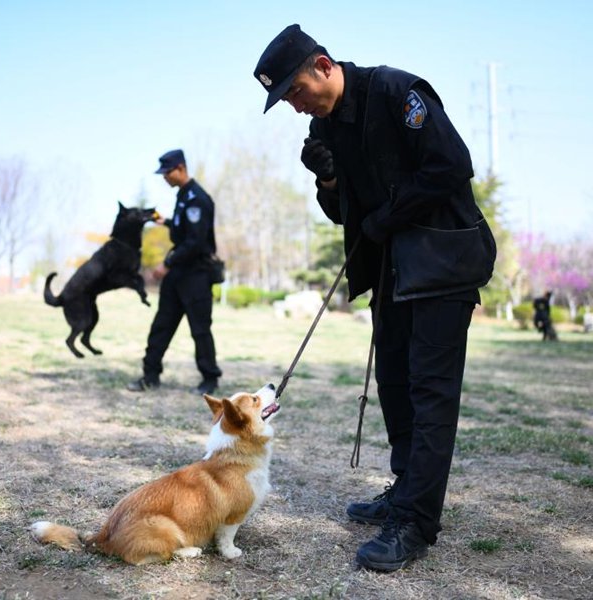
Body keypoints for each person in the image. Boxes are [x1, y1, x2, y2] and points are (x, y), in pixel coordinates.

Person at [254, 25, 494, 572]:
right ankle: (406, 487)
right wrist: (330, 183)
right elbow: (347, 216)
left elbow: (452, 166)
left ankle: (415, 521)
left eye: (294, 90)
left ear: (322, 64)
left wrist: (390, 213)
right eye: (286, 99)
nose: (294, 106)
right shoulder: (327, 124)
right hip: (392, 271)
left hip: (441, 262)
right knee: (394, 384)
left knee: (430, 395)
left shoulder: (394, 91)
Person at [127, 149, 223, 394]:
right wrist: (166, 222)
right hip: (178, 275)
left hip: (196, 275)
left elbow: (195, 242)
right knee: (162, 325)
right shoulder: (182, 196)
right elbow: (184, 230)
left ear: (180, 168)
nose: (164, 178)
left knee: (200, 330)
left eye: (167, 172)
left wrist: (166, 264)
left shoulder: (197, 198)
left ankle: (209, 379)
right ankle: (150, 375)